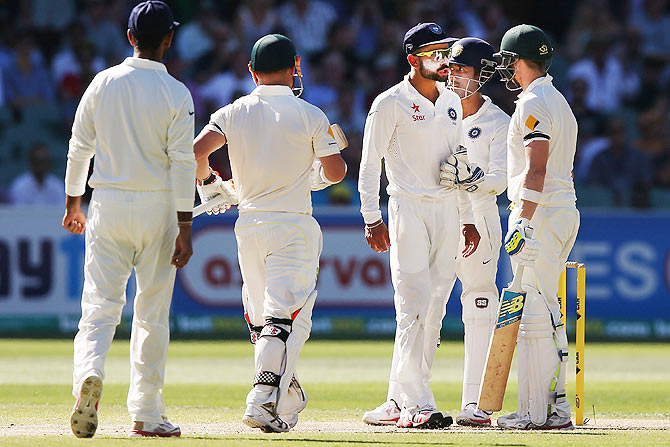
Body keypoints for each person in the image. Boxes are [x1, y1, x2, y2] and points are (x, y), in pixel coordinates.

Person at [192, 34, 346, 433]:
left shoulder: (233, 111)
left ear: (251, 71)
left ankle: (284, 389)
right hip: (293, 224)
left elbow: (196, 152)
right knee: (284, 318)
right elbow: (337, 172)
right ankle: (262, 399)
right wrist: (315, 175)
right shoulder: (310, 113)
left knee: (265, 321)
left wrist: (209, 184)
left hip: (249, 225)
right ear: (295, 65)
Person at [62, 1, 195, 438]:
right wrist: (186, 224)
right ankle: (146, 413)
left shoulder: (102, 83)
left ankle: (88, 374)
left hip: (109, 203)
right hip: (158, 208)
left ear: (130, 37)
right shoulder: (176, 92)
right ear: (169, 39)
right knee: (152, 313)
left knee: (99, 309)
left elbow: (79, 146)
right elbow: (181, 162)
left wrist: (72, 203)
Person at [358, 23, 480, 429]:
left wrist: (466, 218)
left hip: (446, 210)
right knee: (412, 305)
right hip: (407, 208)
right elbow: (368, 163)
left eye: (446, 52)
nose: (444, 60)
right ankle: (417, 403)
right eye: (434, 53)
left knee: (434, 309)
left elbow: (456, 162)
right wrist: (371, 216)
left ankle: (398, 398)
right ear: (413, 60)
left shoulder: (450, 101)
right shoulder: (390, 102)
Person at [493, 24, 580, 430]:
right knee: (548, 308)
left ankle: (535, 412)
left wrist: (523, 219)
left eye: (508, 61)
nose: (506, 70)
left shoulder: (532, 101)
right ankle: (555, 407)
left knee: (533, 313)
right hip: (561, 209)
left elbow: (537, 168)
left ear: (517, 61)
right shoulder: (556, 98)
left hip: (541, 212)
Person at [441, 37, 510, 427]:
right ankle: (408, 398)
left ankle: (476, 404)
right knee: (422, 305)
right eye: (451, 68)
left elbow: (501, 180)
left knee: (479, 302)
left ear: (481, 74)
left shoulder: (498, 122)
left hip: (479, 216)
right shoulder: (436, 113)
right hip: (436, 215)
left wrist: (473, 177)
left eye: (462, 69)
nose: (453, 76)